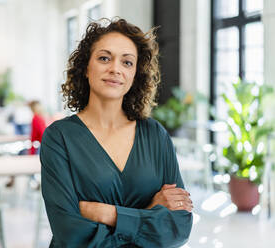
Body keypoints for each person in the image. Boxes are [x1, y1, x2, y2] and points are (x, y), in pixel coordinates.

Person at [40, 18, 193, 247]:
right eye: (104, 58)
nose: (115, 69)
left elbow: (178, 226)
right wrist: (149, 212)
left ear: (135, 75)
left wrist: (109, 214)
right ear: (85, 68)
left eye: (127, 62)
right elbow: (70, 234)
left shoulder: (154, 134)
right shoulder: (59, 137)